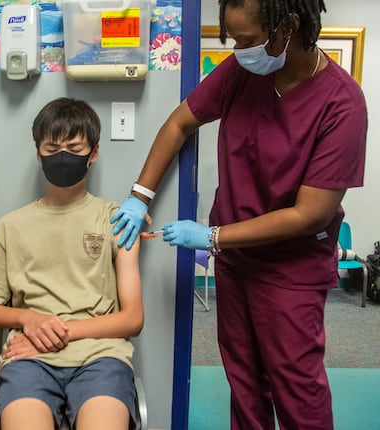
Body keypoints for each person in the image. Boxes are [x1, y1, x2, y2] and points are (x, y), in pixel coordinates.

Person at [111, 0, 367, 429]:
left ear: (290, 24)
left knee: (296, 388)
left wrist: (213, 237)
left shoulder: (342, 104)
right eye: (233, 40)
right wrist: (140, 196)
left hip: (292, 270)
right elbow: (179, 123)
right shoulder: (241, 73)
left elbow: (310, 214)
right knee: (244, 383)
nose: (239, 51)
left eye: (248, 41)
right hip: (236, 263)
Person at [0, 97, 143, 430]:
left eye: (74, 147)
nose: (62, 156)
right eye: (52, 148)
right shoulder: (11, 225)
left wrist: (63, 332)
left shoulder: (117, 220)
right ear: (38, 152)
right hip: (30, 357)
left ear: (93, 153)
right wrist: (28, 318)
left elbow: (133, 318)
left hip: (101, 356)